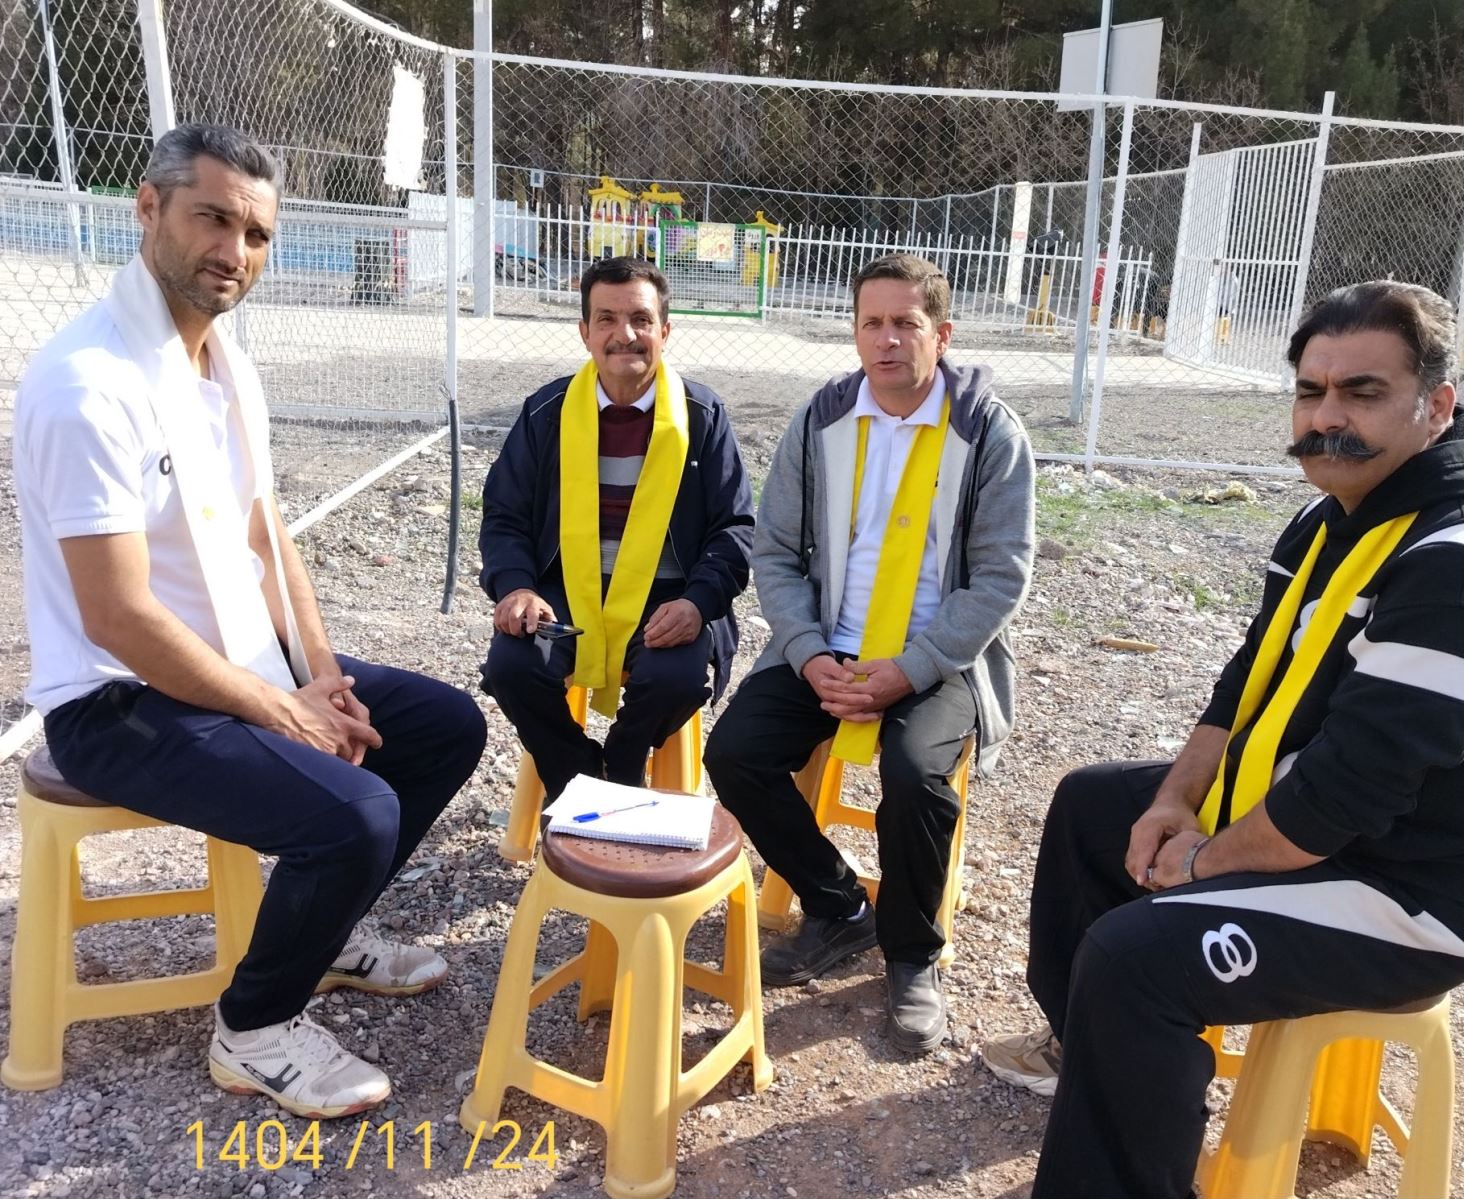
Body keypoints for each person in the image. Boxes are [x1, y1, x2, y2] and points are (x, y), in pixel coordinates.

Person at [982, 280, 1464, 1198]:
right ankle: (1089, 1052)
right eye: (1311, 391)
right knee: (1094, 807)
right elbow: (1246, 683)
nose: (1327, 418)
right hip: (1333, 823)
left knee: (1134, 959)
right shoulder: (1342, 515)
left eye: (1362, 393)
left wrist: (1202, 862)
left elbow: (1344, 797)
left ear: (1437, 406)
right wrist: (1174, 801)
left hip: (1411, 892)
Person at [13, 124, 487, 1119]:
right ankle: (255, 1028)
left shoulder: (224, 365)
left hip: (233, 660)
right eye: (213, 219)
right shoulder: (88, 383)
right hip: (116, 698)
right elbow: (119, 616)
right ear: (149, 208)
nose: (234, 250)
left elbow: (268, 538)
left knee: (443, 726)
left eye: (257, 233)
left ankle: (325, 934)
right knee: (356, 812)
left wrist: (317, 675)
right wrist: (285, 714)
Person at [704, 253, 1036, 1054]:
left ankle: (912, 955)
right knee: (736, 752)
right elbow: (775, 552)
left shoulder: (988, 432)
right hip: (829, 644)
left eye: (906, 324)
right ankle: (839, 906)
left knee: (916, 776)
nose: (887, 340)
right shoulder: (821, 421)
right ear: (854, 332)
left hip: (937, 657)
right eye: (872, 323)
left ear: (941, 335)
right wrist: (806, 651)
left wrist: (910, 670)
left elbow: (1001, 576)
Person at [478, 256, 753, 796]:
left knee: (676, 680)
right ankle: (578, 775)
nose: (624, 335)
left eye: (641, 320)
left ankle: (624, 765)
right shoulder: (547, 412)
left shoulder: (702, 415)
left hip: (668, 598)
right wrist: (517, 587)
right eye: (606, 319)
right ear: (585, 332)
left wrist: (698, 603)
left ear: (665, 331)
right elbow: (505, 515)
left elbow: (735, 528)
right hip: (564, 595)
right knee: (511, 667)